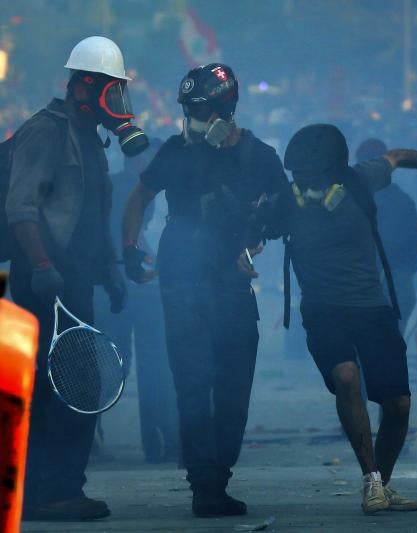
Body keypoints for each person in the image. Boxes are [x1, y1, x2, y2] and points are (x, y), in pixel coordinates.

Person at [121, 63, 288, 517]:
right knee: (193, 384)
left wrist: (256, 234)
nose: (196, 119)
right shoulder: (176, 152)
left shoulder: (258, 156)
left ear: (227, 107)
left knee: (234, 387)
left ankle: (219, 475)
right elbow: (139, 198)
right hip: (182, 281)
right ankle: (203, 485)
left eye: (203, 109)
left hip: (232, 286)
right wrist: (130, 247)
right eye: (190, 110)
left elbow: (283, 210)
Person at [253, 124, 417, 514]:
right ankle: (371, 480)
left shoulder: (359, 180)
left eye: (309, 176)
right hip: (323, 309)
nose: (303, 184)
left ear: (334, 171)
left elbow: (396, 156)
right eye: (297, 176)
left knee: (398, 404)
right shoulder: (286, 203)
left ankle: (381, 483)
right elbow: (254, 230)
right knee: (346, 375)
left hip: (371, 305)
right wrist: (244, 248)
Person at [6, 35, 148, 521]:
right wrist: (42, 266)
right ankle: (50, 494)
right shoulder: (45, 131)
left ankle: (57, 488)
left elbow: (94, 213)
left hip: (77, 282)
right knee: (57, 388)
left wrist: (110, 271)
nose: (117, 100)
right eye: (110, 88)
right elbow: (22, 208)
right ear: (83, 86)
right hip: (45, 283)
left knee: (78, 386)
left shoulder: (91, 140)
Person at [93, 138, 181, 464]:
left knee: (153, 366)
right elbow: (116, 232)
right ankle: (89, 436)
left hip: (144, 289)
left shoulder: (155, 190)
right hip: (116, 286)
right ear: (135, 159)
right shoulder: (119, 188)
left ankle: (159, 441)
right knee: (112, 363)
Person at [355, 138, 417, 332]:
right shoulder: (403, 200)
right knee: (390, 342)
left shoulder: (348, 199)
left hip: (361, 288)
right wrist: (402, 271)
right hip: (398, 287)